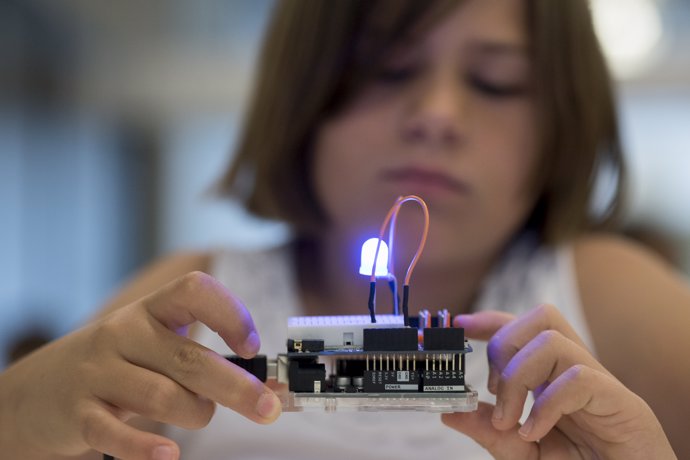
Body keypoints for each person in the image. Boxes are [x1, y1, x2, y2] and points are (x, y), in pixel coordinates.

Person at [0, 0, 687, 458]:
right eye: (388, 70)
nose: (438, 114)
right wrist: (22, 411)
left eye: (496, 82)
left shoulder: (604, 298)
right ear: (305, 101)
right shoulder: (194, 312)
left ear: (561, 124)